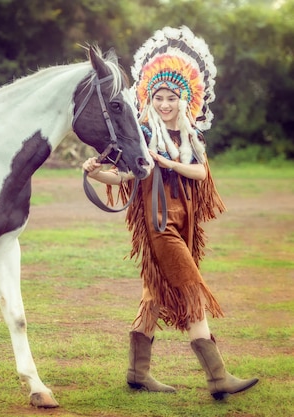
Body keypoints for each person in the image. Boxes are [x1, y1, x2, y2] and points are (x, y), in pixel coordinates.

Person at [82, 26, 258, 399]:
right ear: (148, 98)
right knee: (192, 289)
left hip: (185, 223)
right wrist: (96, 172)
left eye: (171, 98)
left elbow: (200, 172)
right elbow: (129, 172)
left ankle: (137, 372)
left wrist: (169, 163)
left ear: (184, 100)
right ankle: (218, 378)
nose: (164, 104)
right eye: (158, 97)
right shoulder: (143, 135)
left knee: (156, 294)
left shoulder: (191, 136)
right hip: (159, 225)